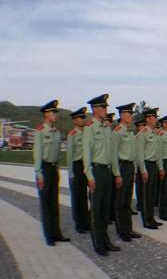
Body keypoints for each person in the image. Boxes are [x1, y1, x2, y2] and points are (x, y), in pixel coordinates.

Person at [83, 94, 121, 256]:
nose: (106, 110)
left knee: (105, 210)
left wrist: (117, 174)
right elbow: (86, 154)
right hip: (96, 171)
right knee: (97, 210)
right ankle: (98, 243)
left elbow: (112, 154)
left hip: (107, 171)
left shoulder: (107, 127)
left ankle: (105, 240)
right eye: (103, 107)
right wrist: (89, 176)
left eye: (106, 107)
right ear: (95, 109)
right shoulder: (90, 127)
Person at [33, 99, 70, 246]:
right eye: (53, 112)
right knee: (46, 204)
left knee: (54, 203)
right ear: (46, 114)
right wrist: (39, 174)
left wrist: (57, 169)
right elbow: (37, 154)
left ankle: (57, 233)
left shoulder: (56, 132)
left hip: (54, 169)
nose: (55, 114)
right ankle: (49, 235)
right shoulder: (40, 131)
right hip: (44, 169)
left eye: (55, 112)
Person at [111, 103, 142, 242]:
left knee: (127, 201)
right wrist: (117, 174)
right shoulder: (117, 131)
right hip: (122, 167)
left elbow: (134, 153)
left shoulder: (130, 132)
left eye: (132, 114)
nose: (131, 116)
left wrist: (135, 170)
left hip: (130, 167)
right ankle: (121, 230)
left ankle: (128, 229)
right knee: (121, 201)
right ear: (122, 115)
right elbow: (113, 155)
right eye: (129, 114)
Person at [135, 107, 163, 229]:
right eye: (153, 117)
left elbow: (158, 153)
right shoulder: (143, 133)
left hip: (154, 165)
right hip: (146, 164)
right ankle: (146, 220)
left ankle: (151, 218)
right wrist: (143, 170)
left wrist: (160, 168)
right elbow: (139, 154)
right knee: (146, 195)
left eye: (156, 117)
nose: (156, 119)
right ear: (147, 118)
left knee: (152, 194)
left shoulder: (154, 133)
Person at [67, 106, 90, 234]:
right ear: (75, 120)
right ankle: (79, 223)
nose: (82, 120)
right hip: (76, 166)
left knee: (84, 195)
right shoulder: (72, 134)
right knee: (77, 196)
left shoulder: (86, 132)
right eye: (80, 118)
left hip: (85, 165)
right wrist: (71, 173)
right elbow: (69, 156)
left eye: (83, 117)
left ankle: (85, 221)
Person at [133, 118, 145, 214]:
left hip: (144, 164)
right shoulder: (137, 137)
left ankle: (143, 203)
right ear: (138, 128)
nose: (143, 128)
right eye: (141, 126)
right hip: (137, 165)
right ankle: (139, 204)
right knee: (139, 186)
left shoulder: (143, 136)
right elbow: (136, 153)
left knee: (143, 186)